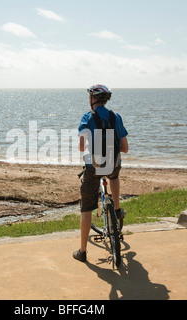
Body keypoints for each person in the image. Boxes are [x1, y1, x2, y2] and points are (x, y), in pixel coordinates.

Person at [73, 84, 129, 262]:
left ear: (93, 99)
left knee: (87, 207)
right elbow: (125, 148)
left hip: (94, 167)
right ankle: (118, 209)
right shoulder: (116, 117)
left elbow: (81, 147)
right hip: (112, 164)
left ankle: (82, 252)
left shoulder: (87, 117)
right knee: (114, 175)